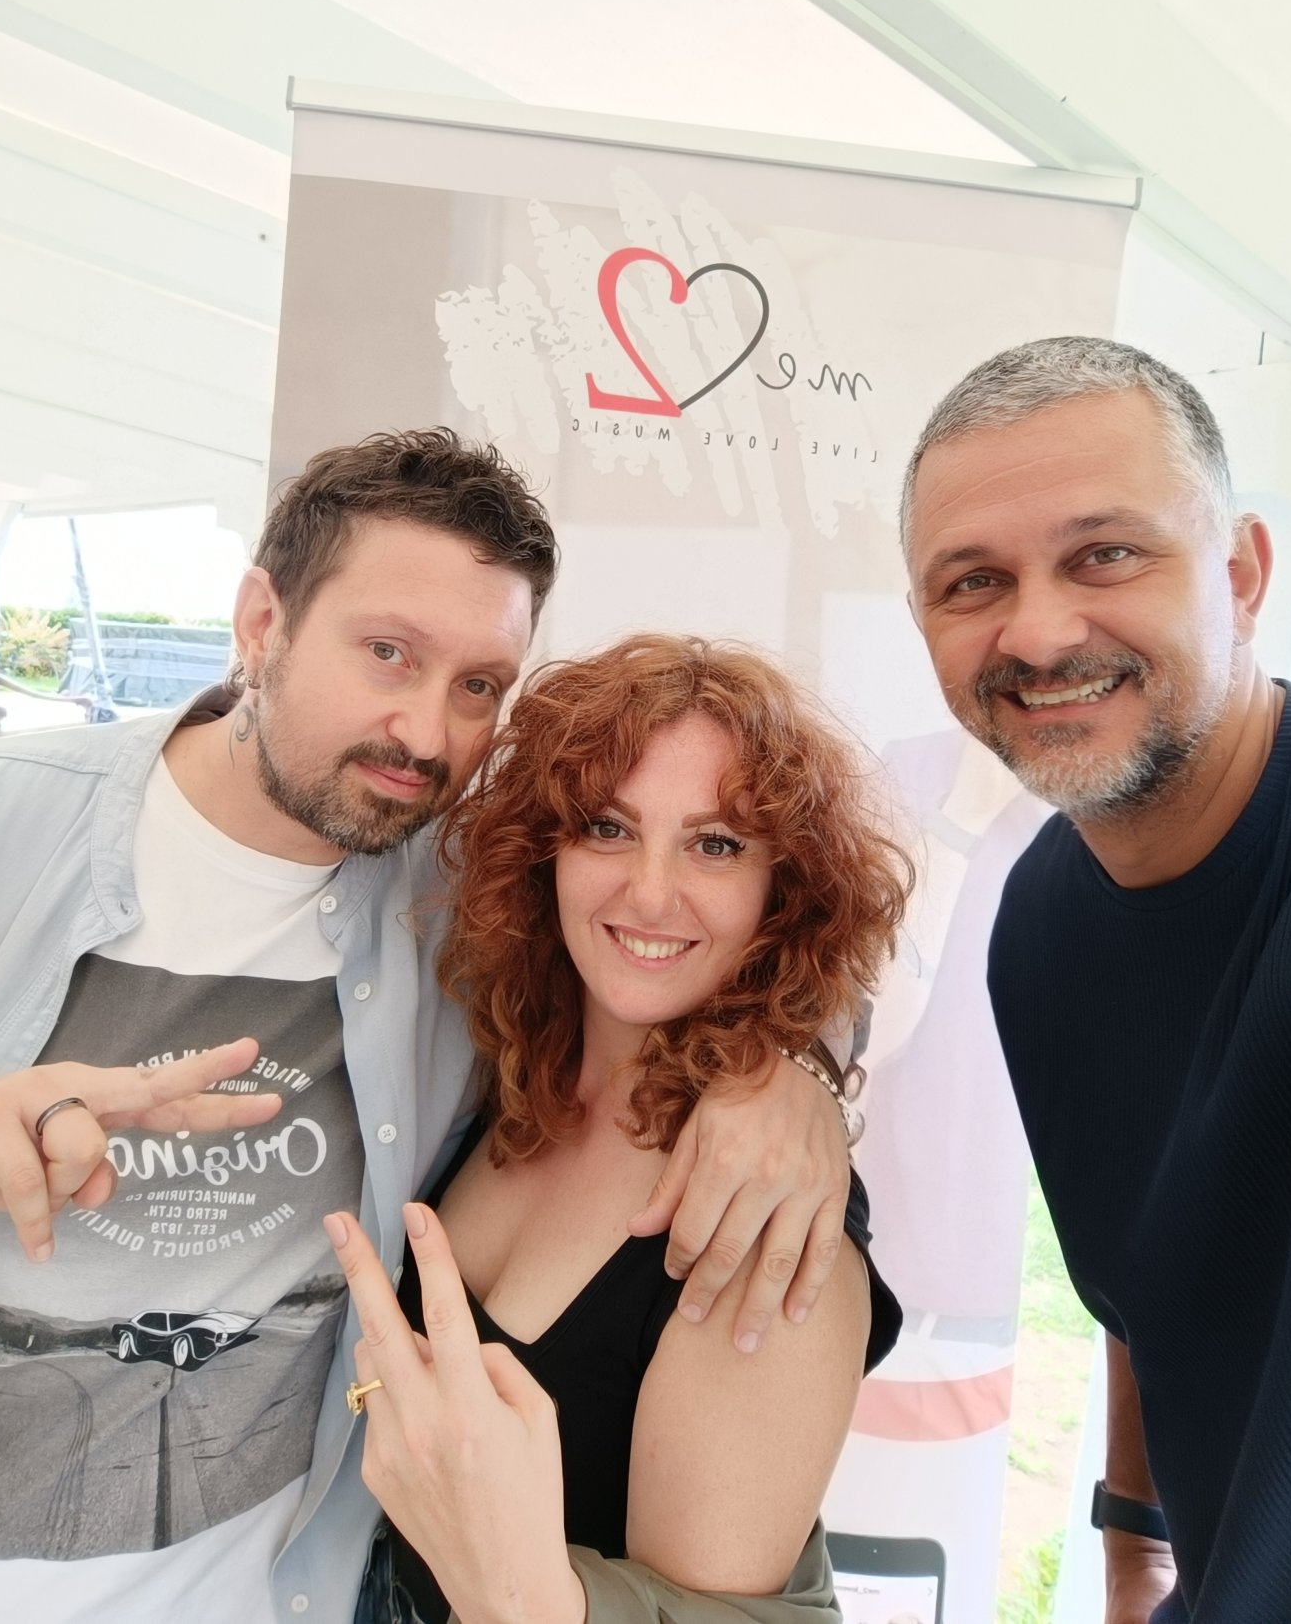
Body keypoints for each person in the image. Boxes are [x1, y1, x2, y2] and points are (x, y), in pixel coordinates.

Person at [0, 431, 861, 1624]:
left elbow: (745, 926)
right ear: (261, 622)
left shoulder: (449, 893)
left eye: (479, 685)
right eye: (387, 652)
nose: (427, 736)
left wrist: (794, 1077)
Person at [324, 635, 909, 1623]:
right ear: (544, 851)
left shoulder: (760, 1216)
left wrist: (520, 1595)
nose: (648, 890)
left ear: (785, 887)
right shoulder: (507, 1074)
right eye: (606, 827)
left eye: (715, 843)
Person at [901, 335, 1291, 1623]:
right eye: (974, 581)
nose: (1036, 631)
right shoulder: (1038, 929)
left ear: (1240, 574)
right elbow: (1144, 1284)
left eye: (1105, 554)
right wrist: (1134, 1553)